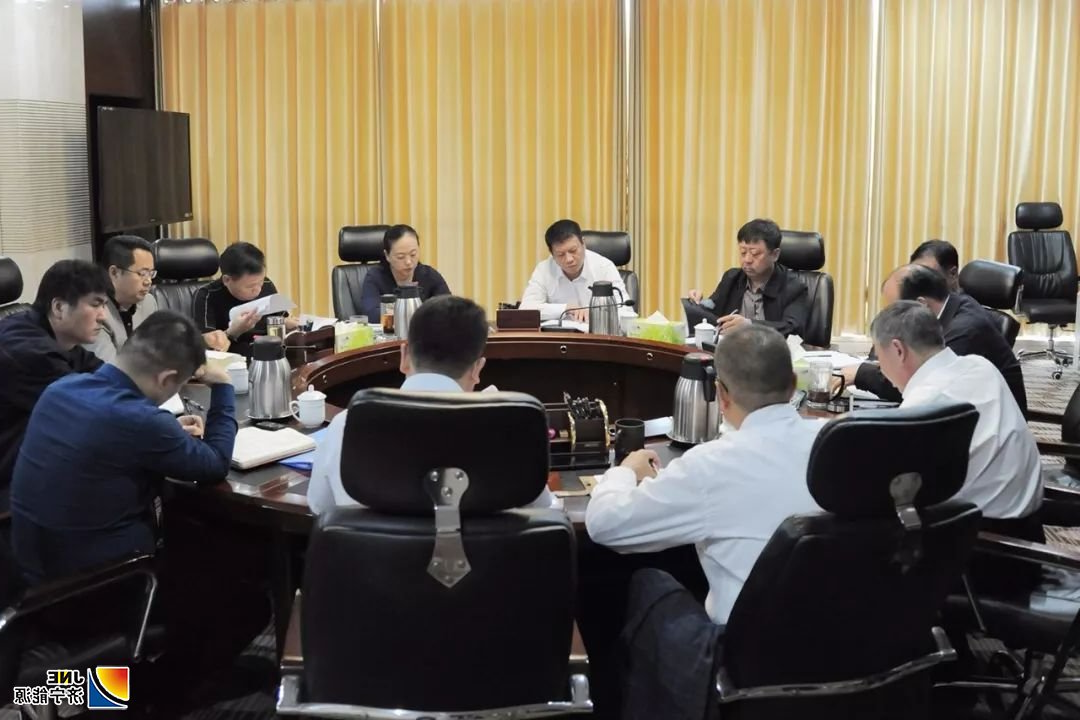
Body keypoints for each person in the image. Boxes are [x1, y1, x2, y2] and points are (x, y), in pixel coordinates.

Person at [584, 324, 825, 719]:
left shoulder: (712, 465)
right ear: (793, 385)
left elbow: (605, 525)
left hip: (746, 661)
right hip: (838, 645)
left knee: (647, 583)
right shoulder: (836, 443)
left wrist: (624, 471)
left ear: (721, 395)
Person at [11, 310, 237, 582]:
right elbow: (215, 464)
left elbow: (107, 440)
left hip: (30, 573)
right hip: (106, 583)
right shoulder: (143, 421)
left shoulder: (60, 389)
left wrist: (167, 433)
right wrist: (224, 385)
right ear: (166, 379)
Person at [309, 294, 556, 513]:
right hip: (481, 554)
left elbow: (321, 509)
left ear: (404, 356)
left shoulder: (347, 426)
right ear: (477, 369)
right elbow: (544, 511)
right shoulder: (509, 432)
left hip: (374, 554)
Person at [871, 301, 1040, 521]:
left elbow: (892, 486)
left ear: (898, 350)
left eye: (879, 358)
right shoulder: (981, 366)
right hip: (1025, 514)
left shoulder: (923, 406)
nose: (881, 368)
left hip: (981, 531)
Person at [845, 264, 1027, 413]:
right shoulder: (956, 307)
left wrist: (862, 373)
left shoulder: (964, 331)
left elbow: (911, 383)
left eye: (895, 309)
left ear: (921, 305)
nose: (890, 316)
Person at [0, 260, 108, 510]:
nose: (103, 316)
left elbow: (108, 377)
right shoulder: (27, 350)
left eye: (104, 305)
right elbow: (92, 410)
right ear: (59, 307)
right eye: (95, 304)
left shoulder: (49, 333)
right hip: (10, 484)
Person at [686, 218, 809, 337]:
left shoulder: (794, 287)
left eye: (755, 254)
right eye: (743, 252)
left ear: (775, 255)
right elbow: (713, 313)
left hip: (773, 349)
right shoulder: (732, 278)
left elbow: (792, 328)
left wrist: (750, 326)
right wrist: (698, 303)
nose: (747, 260)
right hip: (732, 347)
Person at [191, 241, 296, 356]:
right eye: (250, 286)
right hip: (235, 357)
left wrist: (288, 324)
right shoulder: (206, 295)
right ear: (227, 280)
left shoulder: (267, 284)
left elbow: (281, 318)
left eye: (260, 282)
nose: (258, 289)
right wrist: (233, 331)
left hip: (269, 351)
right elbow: (208, 346)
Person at [520, 219, 628, 323]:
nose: (569, 259)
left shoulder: (604, 267)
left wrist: (596, 315)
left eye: (573, 250)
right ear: (552, 254)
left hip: (597, 332)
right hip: (560, 334)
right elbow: (525, 311)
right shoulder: (544, 270)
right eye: (560, 254)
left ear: (583, 244)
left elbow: (626, 312)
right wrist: (566, 308)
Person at [84, 235, 159, 363]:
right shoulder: (95, 312)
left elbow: (159, 351)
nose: (148, 281)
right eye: (142, 273)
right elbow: (108, 368)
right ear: (114, 273)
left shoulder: (149, 302)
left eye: (151, 274)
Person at [357, 224, 451, 320]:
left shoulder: (429, 275)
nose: (408, 262)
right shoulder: (375, 277)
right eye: (400, 257)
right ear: (387, 255)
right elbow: (371, 314)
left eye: (413, 254)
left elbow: (449, 309)